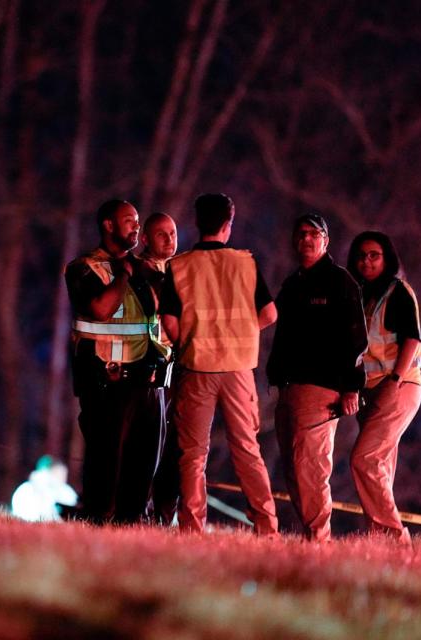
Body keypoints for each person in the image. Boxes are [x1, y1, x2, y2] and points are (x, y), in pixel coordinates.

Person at [155, 193, 279, 535]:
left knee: (193, 454)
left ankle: (192, 527)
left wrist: (196, 338)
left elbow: (170, 323)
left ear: (197, 222)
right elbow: (269, 313)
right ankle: (267, 527)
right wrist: (236, 331)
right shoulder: (245, 263)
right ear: (228, 224)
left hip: (196, 368)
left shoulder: (178, 266)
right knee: (247, 450)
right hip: (238, 369)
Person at [65, 199, 171, 524]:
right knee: (106, 464)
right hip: (106, 384)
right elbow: (99, 310)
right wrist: (123, 277)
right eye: (129, 220)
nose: (136, 227)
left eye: (138, 221)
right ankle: (99, 523)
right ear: (108, 225)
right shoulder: (84, 268)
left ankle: (133, 524)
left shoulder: (146, 270)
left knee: (143, 467)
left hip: (148, 383)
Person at [266, 213, 368, 542]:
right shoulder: (292, 284)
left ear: (326, 240)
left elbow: (357, 339)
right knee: (294, 469)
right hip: (289, 389)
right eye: (301, 234)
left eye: (314, 233)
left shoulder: (340, 282)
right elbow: (277, 329)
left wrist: (352, 386)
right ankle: (312, 538)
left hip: (322, 388)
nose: (306, 239)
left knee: (310, 467)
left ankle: (319, 542)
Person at [346, 231, 421, 544]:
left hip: (398, 387)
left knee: (363, 458)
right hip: (369, 392)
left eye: (374, 255)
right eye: (362, 255)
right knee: (380, 466)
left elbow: (412, 339)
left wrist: (394, 381)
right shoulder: (360, 295)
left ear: (387, 258)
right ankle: (380, 539)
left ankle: (393, 535)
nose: (367, 261)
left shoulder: (399, 292)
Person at [138, 212, 180, 522]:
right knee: (149, 445)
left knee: (174, 447)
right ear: (145, 239)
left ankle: (165, 515)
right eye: (161, 234)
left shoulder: (180, 273)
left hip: (178, 369)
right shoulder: (138, 274)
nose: (169, 239)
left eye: (173, 232)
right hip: (148, 369)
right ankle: (139, 509)